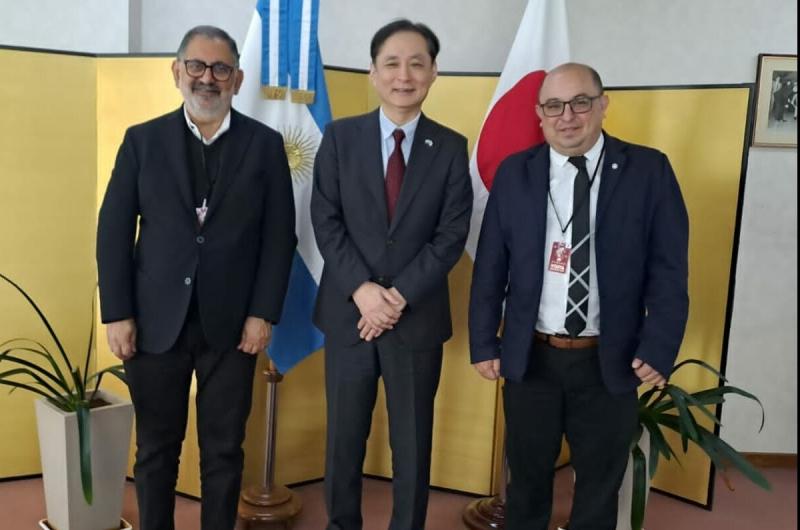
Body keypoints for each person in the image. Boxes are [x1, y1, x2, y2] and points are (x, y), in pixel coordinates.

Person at [469, 63, 689, 530]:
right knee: (526, 482)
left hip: (610, 360)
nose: (567, 116)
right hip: (533, 358)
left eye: (580, 102)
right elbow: (491, 265)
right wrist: (484, 341)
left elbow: (669, 271)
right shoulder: (516, 173)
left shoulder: (648, 170)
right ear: (540, 114)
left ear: (602, 105)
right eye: (554, 106)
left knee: (598, 486)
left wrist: (659, 347)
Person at [96, 25, 296, 530]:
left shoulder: (265, 145)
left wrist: (263, 313)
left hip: (232, 328)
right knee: (156, 451)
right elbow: (113, 232)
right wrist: (117, 313)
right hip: (153, 323)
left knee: (225, 453)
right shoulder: (142, 141)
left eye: (221, 69)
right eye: (197, 66)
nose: (208, 78)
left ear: (237, 78)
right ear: (177, 72)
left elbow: (279, 239)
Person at [310, 19, 472, 530]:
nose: (405, 75)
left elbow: (450, 235)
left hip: (415, 318)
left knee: (413, 444)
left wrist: (395, 297)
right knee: (343, 441)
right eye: (393, 63)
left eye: (417, 63)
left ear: (433, 72)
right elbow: (325, 219)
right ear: (374, 73)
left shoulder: (449, 146)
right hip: (349, 316)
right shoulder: (340, 137)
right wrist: (363, 291)